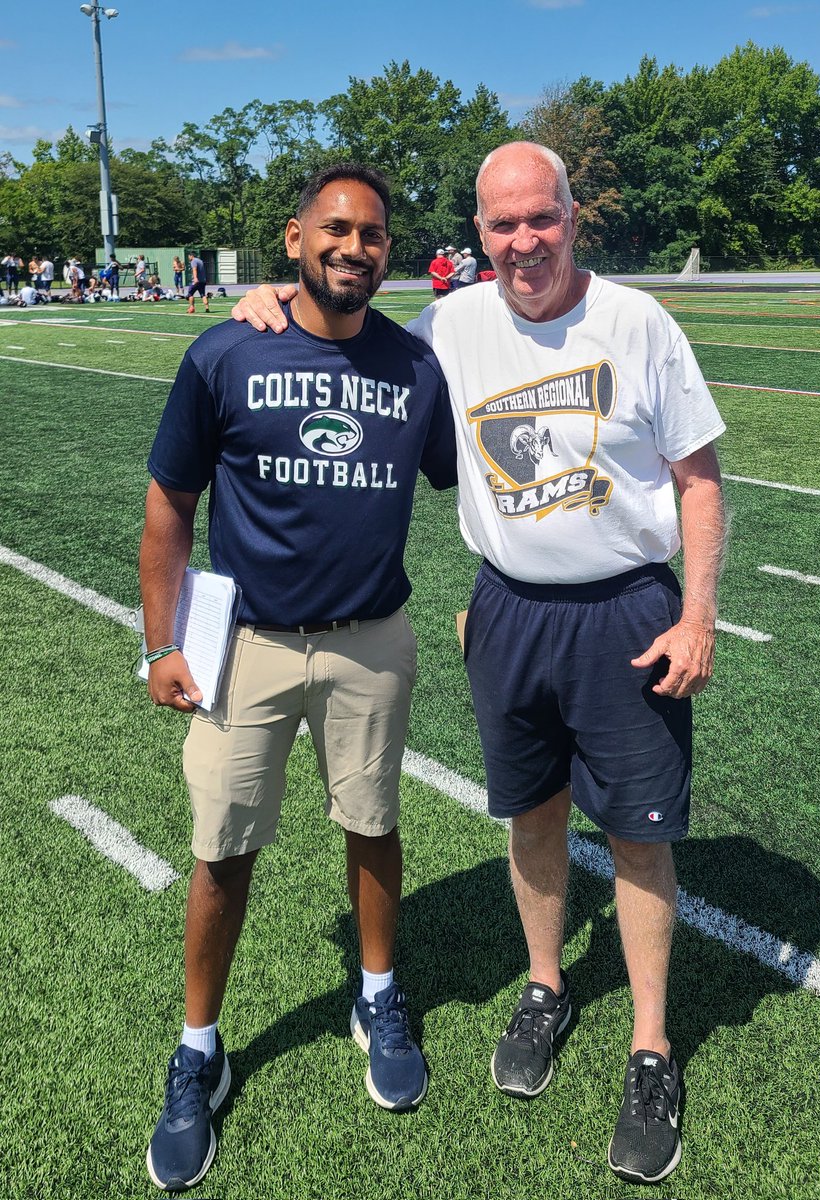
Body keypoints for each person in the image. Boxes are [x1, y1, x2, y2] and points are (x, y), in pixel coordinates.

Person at [233, 140, 726, 1188]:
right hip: (506, 610)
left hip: (625, 611)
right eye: (500, 225)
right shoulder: (451, 324)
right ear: (478, 233)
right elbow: (351, 350)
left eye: (538, 219)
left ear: (570, 216)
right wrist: (277, 296)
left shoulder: (637, 322)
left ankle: (649, 1048)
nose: (521, 242)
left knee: (636, 838)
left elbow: (696, 479)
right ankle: (544, 986)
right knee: (531, 813)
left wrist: (696, 616)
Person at [139, 162, 456, 1193]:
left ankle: (376, 992)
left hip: (371, 637)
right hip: (252, 646)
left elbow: (478, 477)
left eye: (370, 234)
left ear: (386, 253)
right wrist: (160, 641)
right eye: (333, 229)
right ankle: (199, 1049)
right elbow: (168, 505)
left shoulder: (415, 366)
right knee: (221, 849)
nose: (351, 247)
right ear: (292, 239)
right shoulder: (227, 348)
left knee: (371, 819)